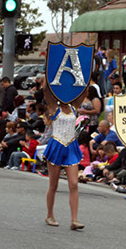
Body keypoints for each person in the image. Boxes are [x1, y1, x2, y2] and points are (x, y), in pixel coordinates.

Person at [42, 80, 86, 230]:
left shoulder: (74, 108)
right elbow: (46, 91)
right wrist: (48, 75)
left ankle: (74, 219)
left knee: (74, 184)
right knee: (53, 185)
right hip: (56, 146)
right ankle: (50, 215)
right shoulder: (54, 108)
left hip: (71, 146)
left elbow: (84, 90)